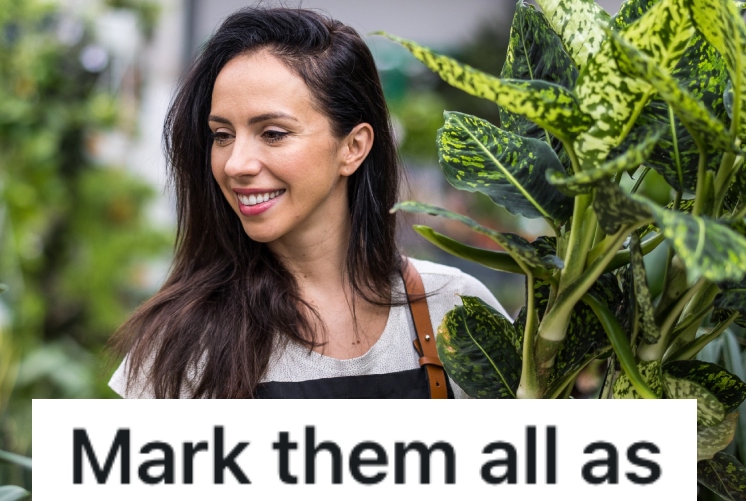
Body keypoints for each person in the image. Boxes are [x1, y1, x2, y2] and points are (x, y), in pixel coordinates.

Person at [108, 6, 505, 399]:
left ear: (353, 147)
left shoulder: (456, 309)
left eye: (273, 133)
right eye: (222, 135)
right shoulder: (183, 343)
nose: (236, 164)